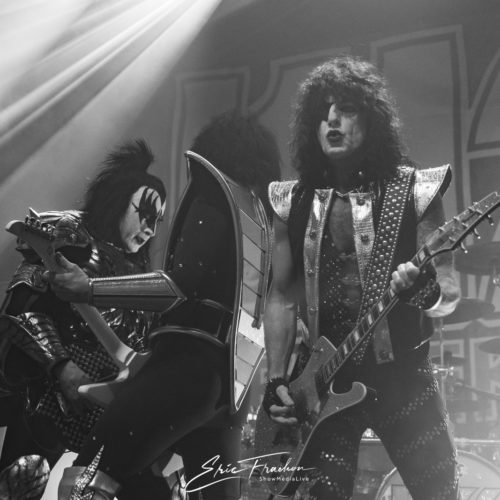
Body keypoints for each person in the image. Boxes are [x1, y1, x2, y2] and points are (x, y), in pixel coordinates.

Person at [45, 111, 281, 500]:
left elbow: (177, 287)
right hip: (228, 392)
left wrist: (89, 289)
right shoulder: (259, 219)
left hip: (184, 370)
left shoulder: (213, 194)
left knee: (88, 479)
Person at [262, 55, 461, 500]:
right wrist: (277, 380)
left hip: (404, 377)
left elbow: (448, 294)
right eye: (323, 112)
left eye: (347, 109)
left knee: (440, 493)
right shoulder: (290, 201)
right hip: (322, 385)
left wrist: (425, 291)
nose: (332, 119)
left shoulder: (416, 190)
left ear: (372, 119)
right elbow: (281, 296)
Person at [0, 139, 171, 499]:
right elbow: (20, 306)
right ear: (119, 198)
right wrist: (61, 367)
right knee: (22, 481)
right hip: (44, 398)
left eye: (157, 221)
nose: (151, 229)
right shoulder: (70, 233)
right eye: (144, 213)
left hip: (107, 412)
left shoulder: (140, 275)